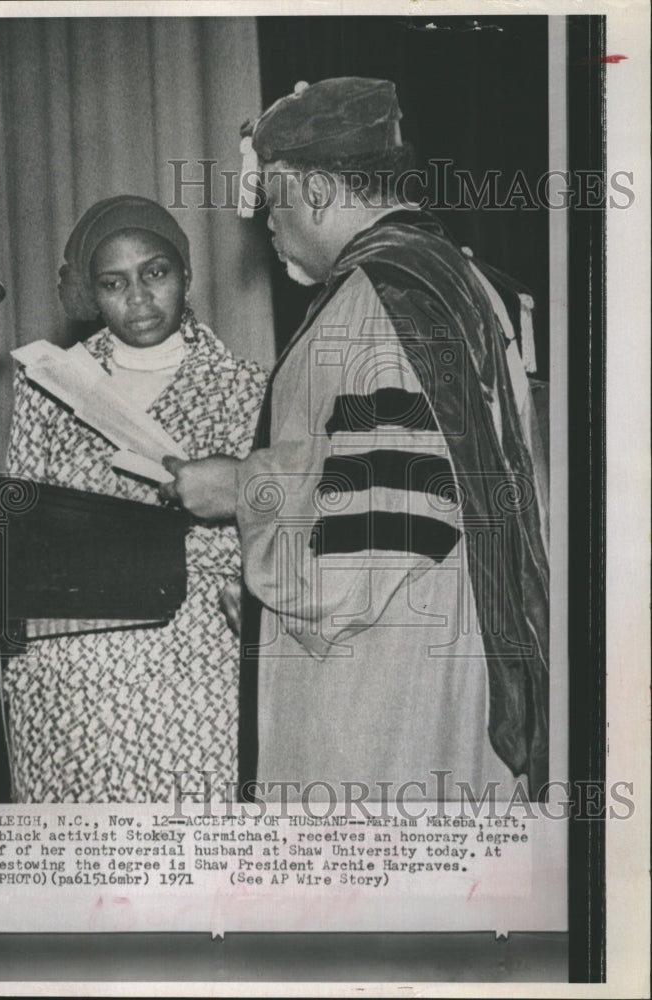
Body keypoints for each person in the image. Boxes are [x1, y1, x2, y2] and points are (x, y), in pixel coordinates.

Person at [163, 78, 550, 803]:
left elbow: (361, 555)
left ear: (311, 190)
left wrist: (244, 490)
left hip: (388, 712)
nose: (267, 227)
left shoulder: (374, 302)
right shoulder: (466, 281)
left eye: (271, 201)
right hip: (449, 664)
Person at [5, 195, 267, 802]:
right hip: (71, 664)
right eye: (113, 282)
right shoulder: (50, 386)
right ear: (92, 295)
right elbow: (23, 529)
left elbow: (271, 524)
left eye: (155, 273)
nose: (139, 298)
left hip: (195, 650)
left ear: (186, 274)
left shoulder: (251, 386)